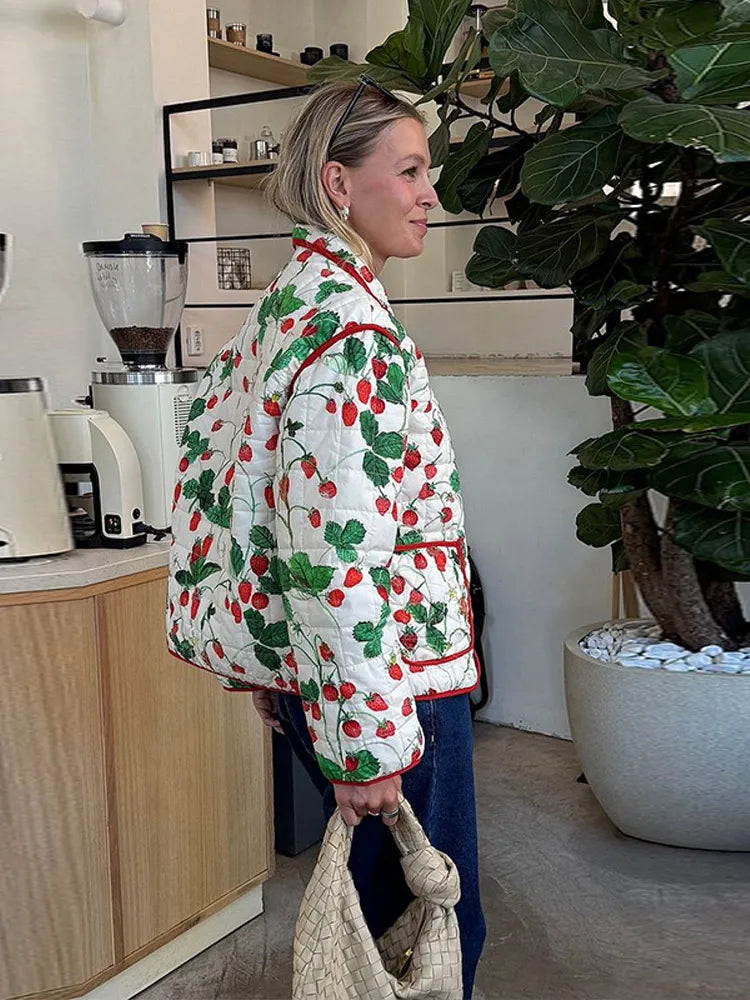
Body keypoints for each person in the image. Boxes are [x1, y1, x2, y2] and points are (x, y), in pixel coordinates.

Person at [166, 78, 486, 999]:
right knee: (425, 930)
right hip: (393, 688)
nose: (432, 193)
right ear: (338, 184)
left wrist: (274, 668)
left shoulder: (287, 306)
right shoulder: (349, 330)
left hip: (340, 678)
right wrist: (366, 746)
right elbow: (331, 549)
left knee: (387, 924)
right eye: (413, 170)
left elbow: (242, 497)